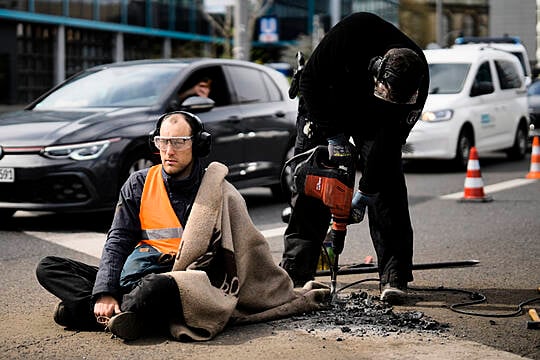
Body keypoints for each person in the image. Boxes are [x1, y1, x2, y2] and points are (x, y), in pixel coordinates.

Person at [36, 111, 328, 341]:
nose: (168, 150)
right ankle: (121, 312)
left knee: (153, 288)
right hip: (134, 275)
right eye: (162, 141)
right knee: (49, 267)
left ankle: (92, 313)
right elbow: (118, 240)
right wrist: (104, 292)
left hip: (179, 281)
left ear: (198, 145)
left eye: (179, 142)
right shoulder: (139, 183)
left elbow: (246, 253)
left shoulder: (219, 191)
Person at [280, 12, 430, 303]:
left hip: (377, 119)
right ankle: (297, 271)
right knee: (316, 180)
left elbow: (388, 145)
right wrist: (334, 138)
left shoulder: (417, 77)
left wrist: (364, 193)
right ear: (377, 70)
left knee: (388, 188)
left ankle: (394, 274)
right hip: (326, 103)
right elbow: (310, 82)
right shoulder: (353, 32)